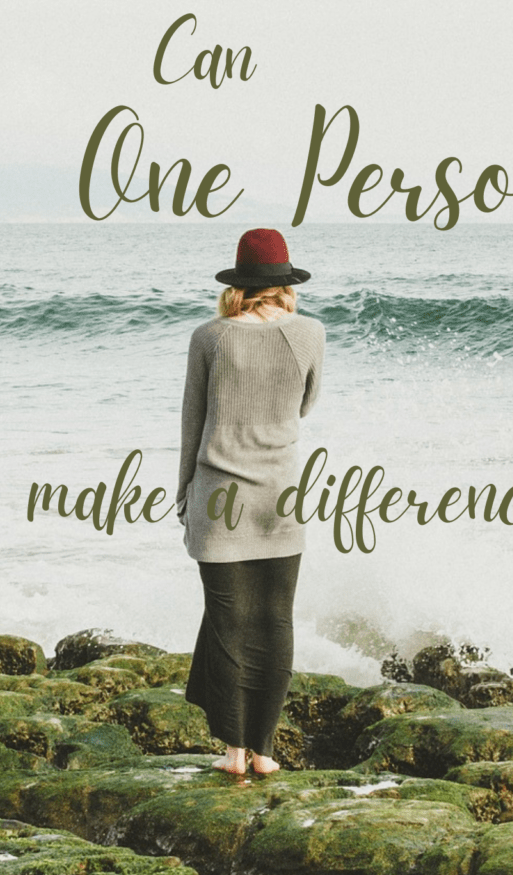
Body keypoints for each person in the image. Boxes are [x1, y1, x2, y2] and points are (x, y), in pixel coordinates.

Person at [176, 228, 325, 774]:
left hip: (220, 497)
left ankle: (233, 754)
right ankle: (264, 752)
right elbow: (306, 405)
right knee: (276, 620)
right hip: (284, 492)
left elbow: (192, 422)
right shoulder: (310, 333)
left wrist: (182, 494)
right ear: (285, 283)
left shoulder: (209, 337)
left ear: (238, 283)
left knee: (228, 624)